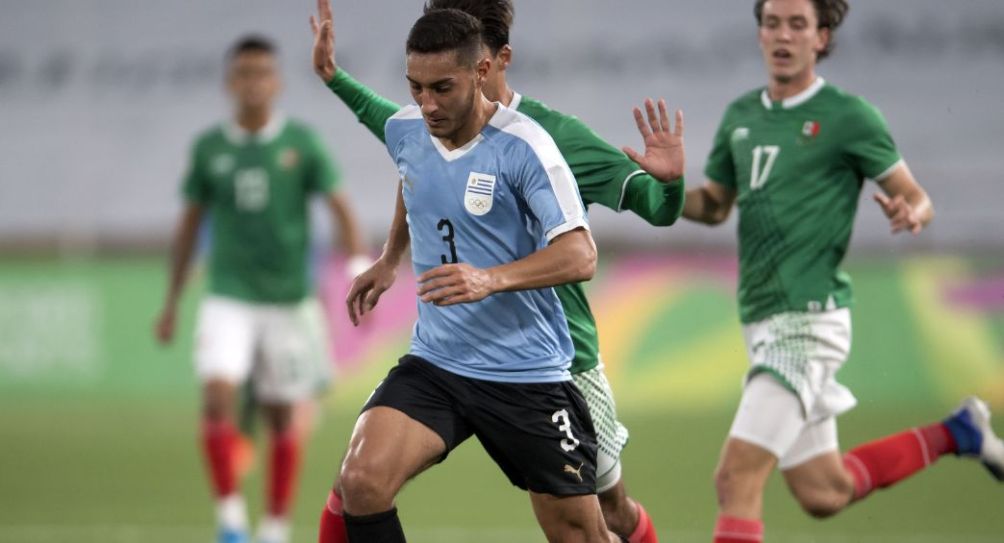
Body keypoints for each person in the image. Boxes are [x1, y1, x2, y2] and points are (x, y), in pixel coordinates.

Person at [309, 1, 684, 539]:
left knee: (587, 528)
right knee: (361, 482)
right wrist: (389, 259)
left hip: (529, 374)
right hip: (439, 361)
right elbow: (414, 176)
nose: (426, 104)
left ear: (484, 68)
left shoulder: (530, 145)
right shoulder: (409, 129)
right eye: (415, 87)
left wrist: (491, 278)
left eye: (441, 88)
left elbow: (582, 255)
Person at [670, 1, 1004, 541]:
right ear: (759, 34)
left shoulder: (849, 117)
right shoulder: (740, 116)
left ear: (822, 37)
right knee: (825, 492)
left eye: (797, 24)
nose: (782, 35)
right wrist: (654, 189)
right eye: (772, 23)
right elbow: (714, 206)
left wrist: (909, 212)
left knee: (736, 479)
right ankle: (958, 433)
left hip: (808, 323)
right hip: (761, 323)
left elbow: (916, 198)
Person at [153, 35, 369, 543]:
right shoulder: (210, 149)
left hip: (289, 300)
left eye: (262, 73)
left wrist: (359, 266)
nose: (253, 83)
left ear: (277, 82)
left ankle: (273, 526)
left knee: (279, 415)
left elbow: (341, 208)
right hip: (228, 295)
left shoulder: (301, 144)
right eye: (244, 74)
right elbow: (188, 227)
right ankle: (230, 519)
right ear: (232, 83)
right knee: (216, 394)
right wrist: (172, 300)